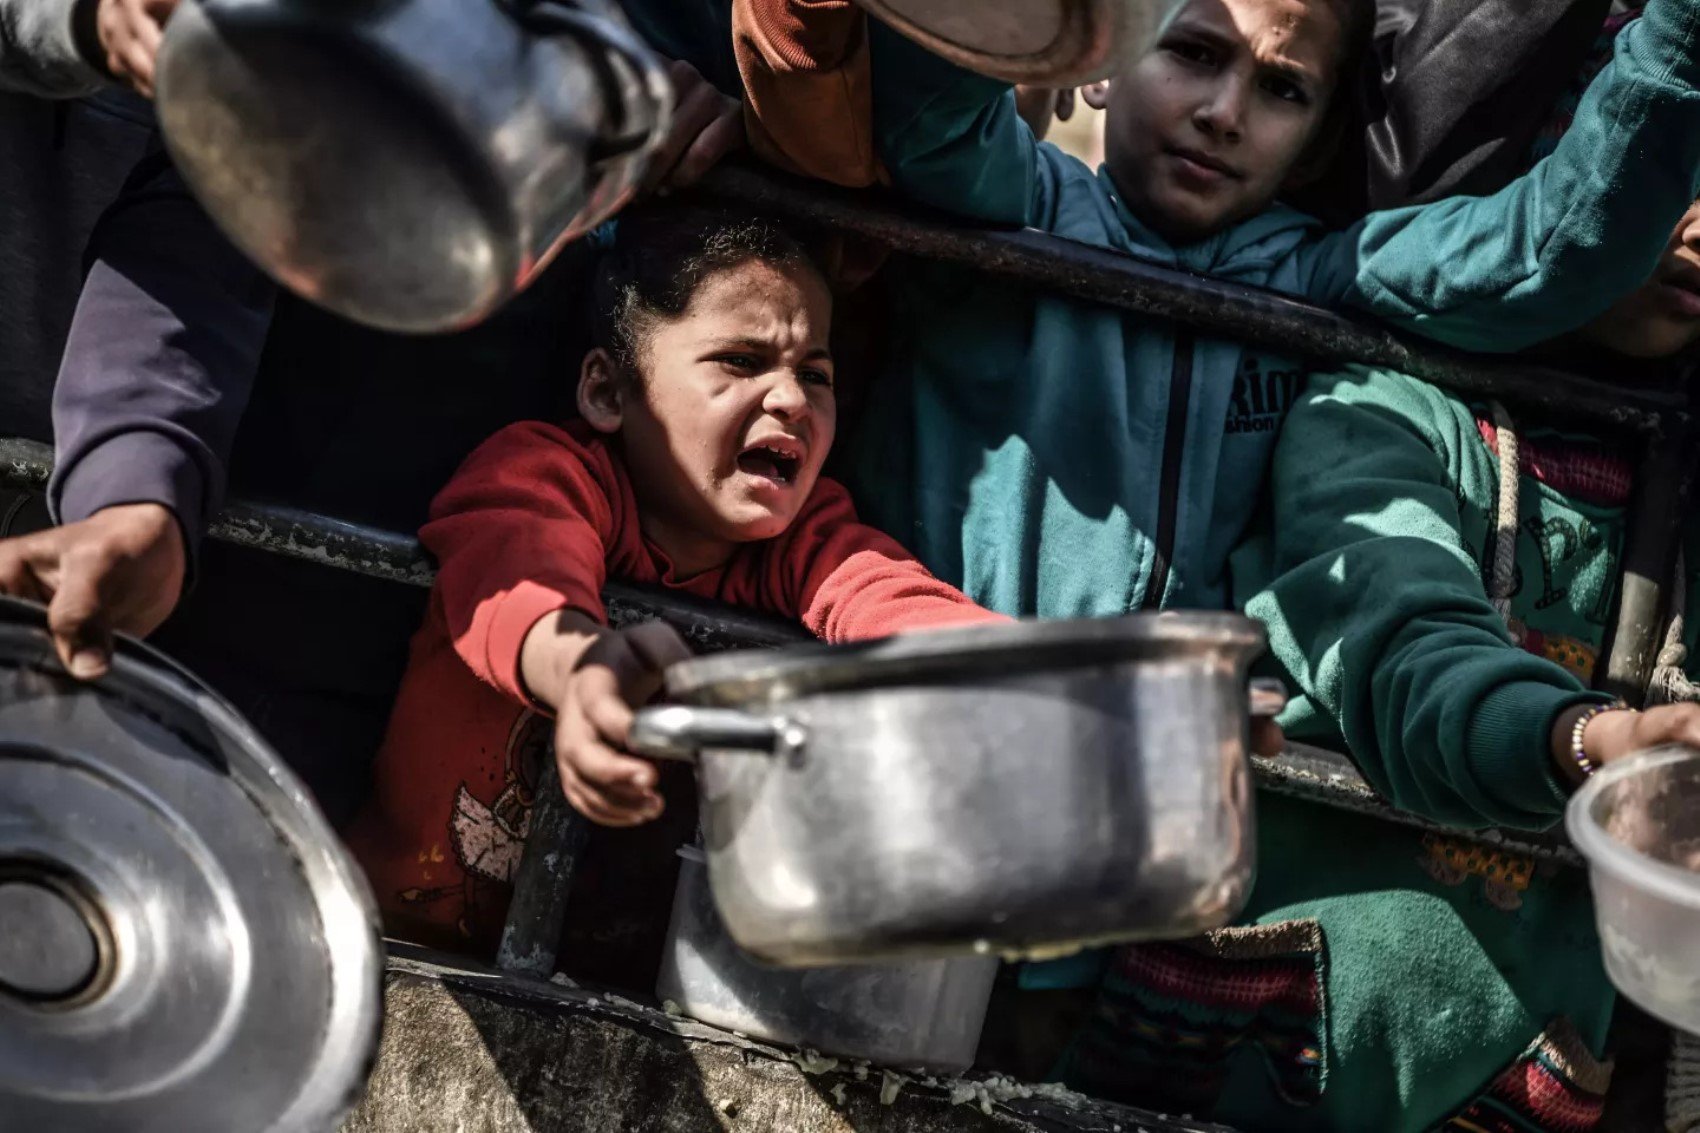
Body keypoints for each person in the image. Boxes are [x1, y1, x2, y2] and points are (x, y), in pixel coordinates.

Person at [345, 205, 1005, 952]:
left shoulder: (802, 535)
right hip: (398, 944)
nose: (792, 398)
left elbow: (885, 593)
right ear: (606, 390)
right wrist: (580, 667)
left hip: (612, 991)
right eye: (741, 360)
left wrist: (1025, 685)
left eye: (814, 372)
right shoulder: (544, 470)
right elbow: (519, 561)